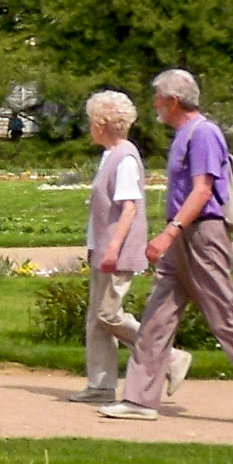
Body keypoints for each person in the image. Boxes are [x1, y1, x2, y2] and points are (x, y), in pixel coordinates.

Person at [103, 69, 233, 427]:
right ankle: (140, 399)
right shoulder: (183, 134)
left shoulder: (204, 133)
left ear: (174, 101)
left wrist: (168, 233)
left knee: (224, 315)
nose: (155, 105)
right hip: (184, 237)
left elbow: (203, 191)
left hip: (203, 235)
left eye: (158, 98)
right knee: (158, 315)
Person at [69, 90, 150, 402]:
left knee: (109, 314)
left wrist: (113, 249)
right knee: (96, 320)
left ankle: (166, 356)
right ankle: (100, 386)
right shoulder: (110, 156)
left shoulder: (125, 158)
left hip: (116, 252)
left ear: (102, 124)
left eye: (92, 121)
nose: (89, 127)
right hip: (102, 250)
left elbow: (129, 207)